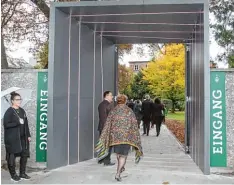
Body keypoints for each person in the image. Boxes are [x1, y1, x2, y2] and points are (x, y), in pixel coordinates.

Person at [95, 94, 143, 181]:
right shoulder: (129, 111)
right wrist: (135, 136)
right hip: (126, 137)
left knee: (118, 154)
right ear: (125, 101)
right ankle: (118, 173)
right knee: (123, 156)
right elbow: (134, 124)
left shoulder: (113, 111)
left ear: (118, 101)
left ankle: (121, 167)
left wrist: (105, 135)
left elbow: (108, 124)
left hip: (115, 137)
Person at [3, 92, 31, 182]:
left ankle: (22, 173)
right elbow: (6, 124)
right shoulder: (9, 111)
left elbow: (26, 124)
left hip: (23, 137)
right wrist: (17, 122)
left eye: (20, 99)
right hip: (12, 138)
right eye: (17, 99)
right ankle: (13, 175)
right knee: (12, 156)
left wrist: (28, 135)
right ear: (12, 101)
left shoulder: (22, 110)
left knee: (24, 154)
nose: (19, 101)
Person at [98, 91, 115, 166]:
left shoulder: (106, 104)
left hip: (106, 127)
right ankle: (106, 161)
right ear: (107, 96)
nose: (112, 97)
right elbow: (103, 118)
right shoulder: (104, 105)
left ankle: (102, 159)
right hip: (106, 128)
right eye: (111, 95)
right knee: (108, 144)